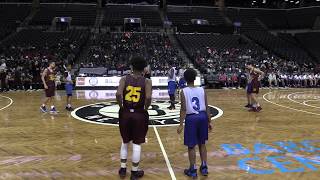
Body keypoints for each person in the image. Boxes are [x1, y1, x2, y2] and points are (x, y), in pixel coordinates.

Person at [116, 56, 152, 180]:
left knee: (125, 142)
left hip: (125, 113)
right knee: (137, 143)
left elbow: (118, 94)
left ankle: (122, 168)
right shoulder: (147, 81)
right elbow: (148, 98)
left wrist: (121, 106)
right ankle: (134, 172)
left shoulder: (124, 79)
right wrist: (145, 108)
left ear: (131, 66)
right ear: (144, 69)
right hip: (139, 114)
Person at [177, 68, 212, 178]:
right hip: (202, 117)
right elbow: (207, 106)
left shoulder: (184, 91)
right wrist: (209, 121)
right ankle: (204, 166)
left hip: (191, 119)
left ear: (185, 79)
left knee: (191, 145)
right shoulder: (202, 90)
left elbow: (183, 109)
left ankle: (192, 170)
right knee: (202, 143)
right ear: (195, 78)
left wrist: (181, 124)